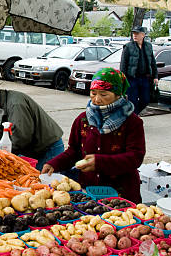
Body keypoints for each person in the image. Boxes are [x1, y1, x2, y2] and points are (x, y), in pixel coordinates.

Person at [43, 68, 145, 202]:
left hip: (121, 193)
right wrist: (54, 164)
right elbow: (74, 151)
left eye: (104, 94)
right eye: (93, 93)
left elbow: (135, 157)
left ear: (118, 94)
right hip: (88, 191)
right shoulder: (83, 119)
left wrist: (100, 162)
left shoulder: (132, 122)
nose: (97, 99)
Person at [0, 82, 65, 170]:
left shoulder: (16, 105)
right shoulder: (5, 103)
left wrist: (4, 157)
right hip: (39, 149)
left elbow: (22, 137)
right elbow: (3, 130)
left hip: (49, 148)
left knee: (44, 182)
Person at [120, 26, 158, 115]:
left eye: (137, 34)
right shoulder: (128, 47)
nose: (135, 35)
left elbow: (153, 63)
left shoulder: (148, 46)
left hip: (144, 78)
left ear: (143, 35)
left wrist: (155, 76)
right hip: (132, 78)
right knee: (132, 100)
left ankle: (134, 115)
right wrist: (123, 79)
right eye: (133, 33)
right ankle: (134, 118)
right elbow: (123, 64)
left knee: (146, 100)